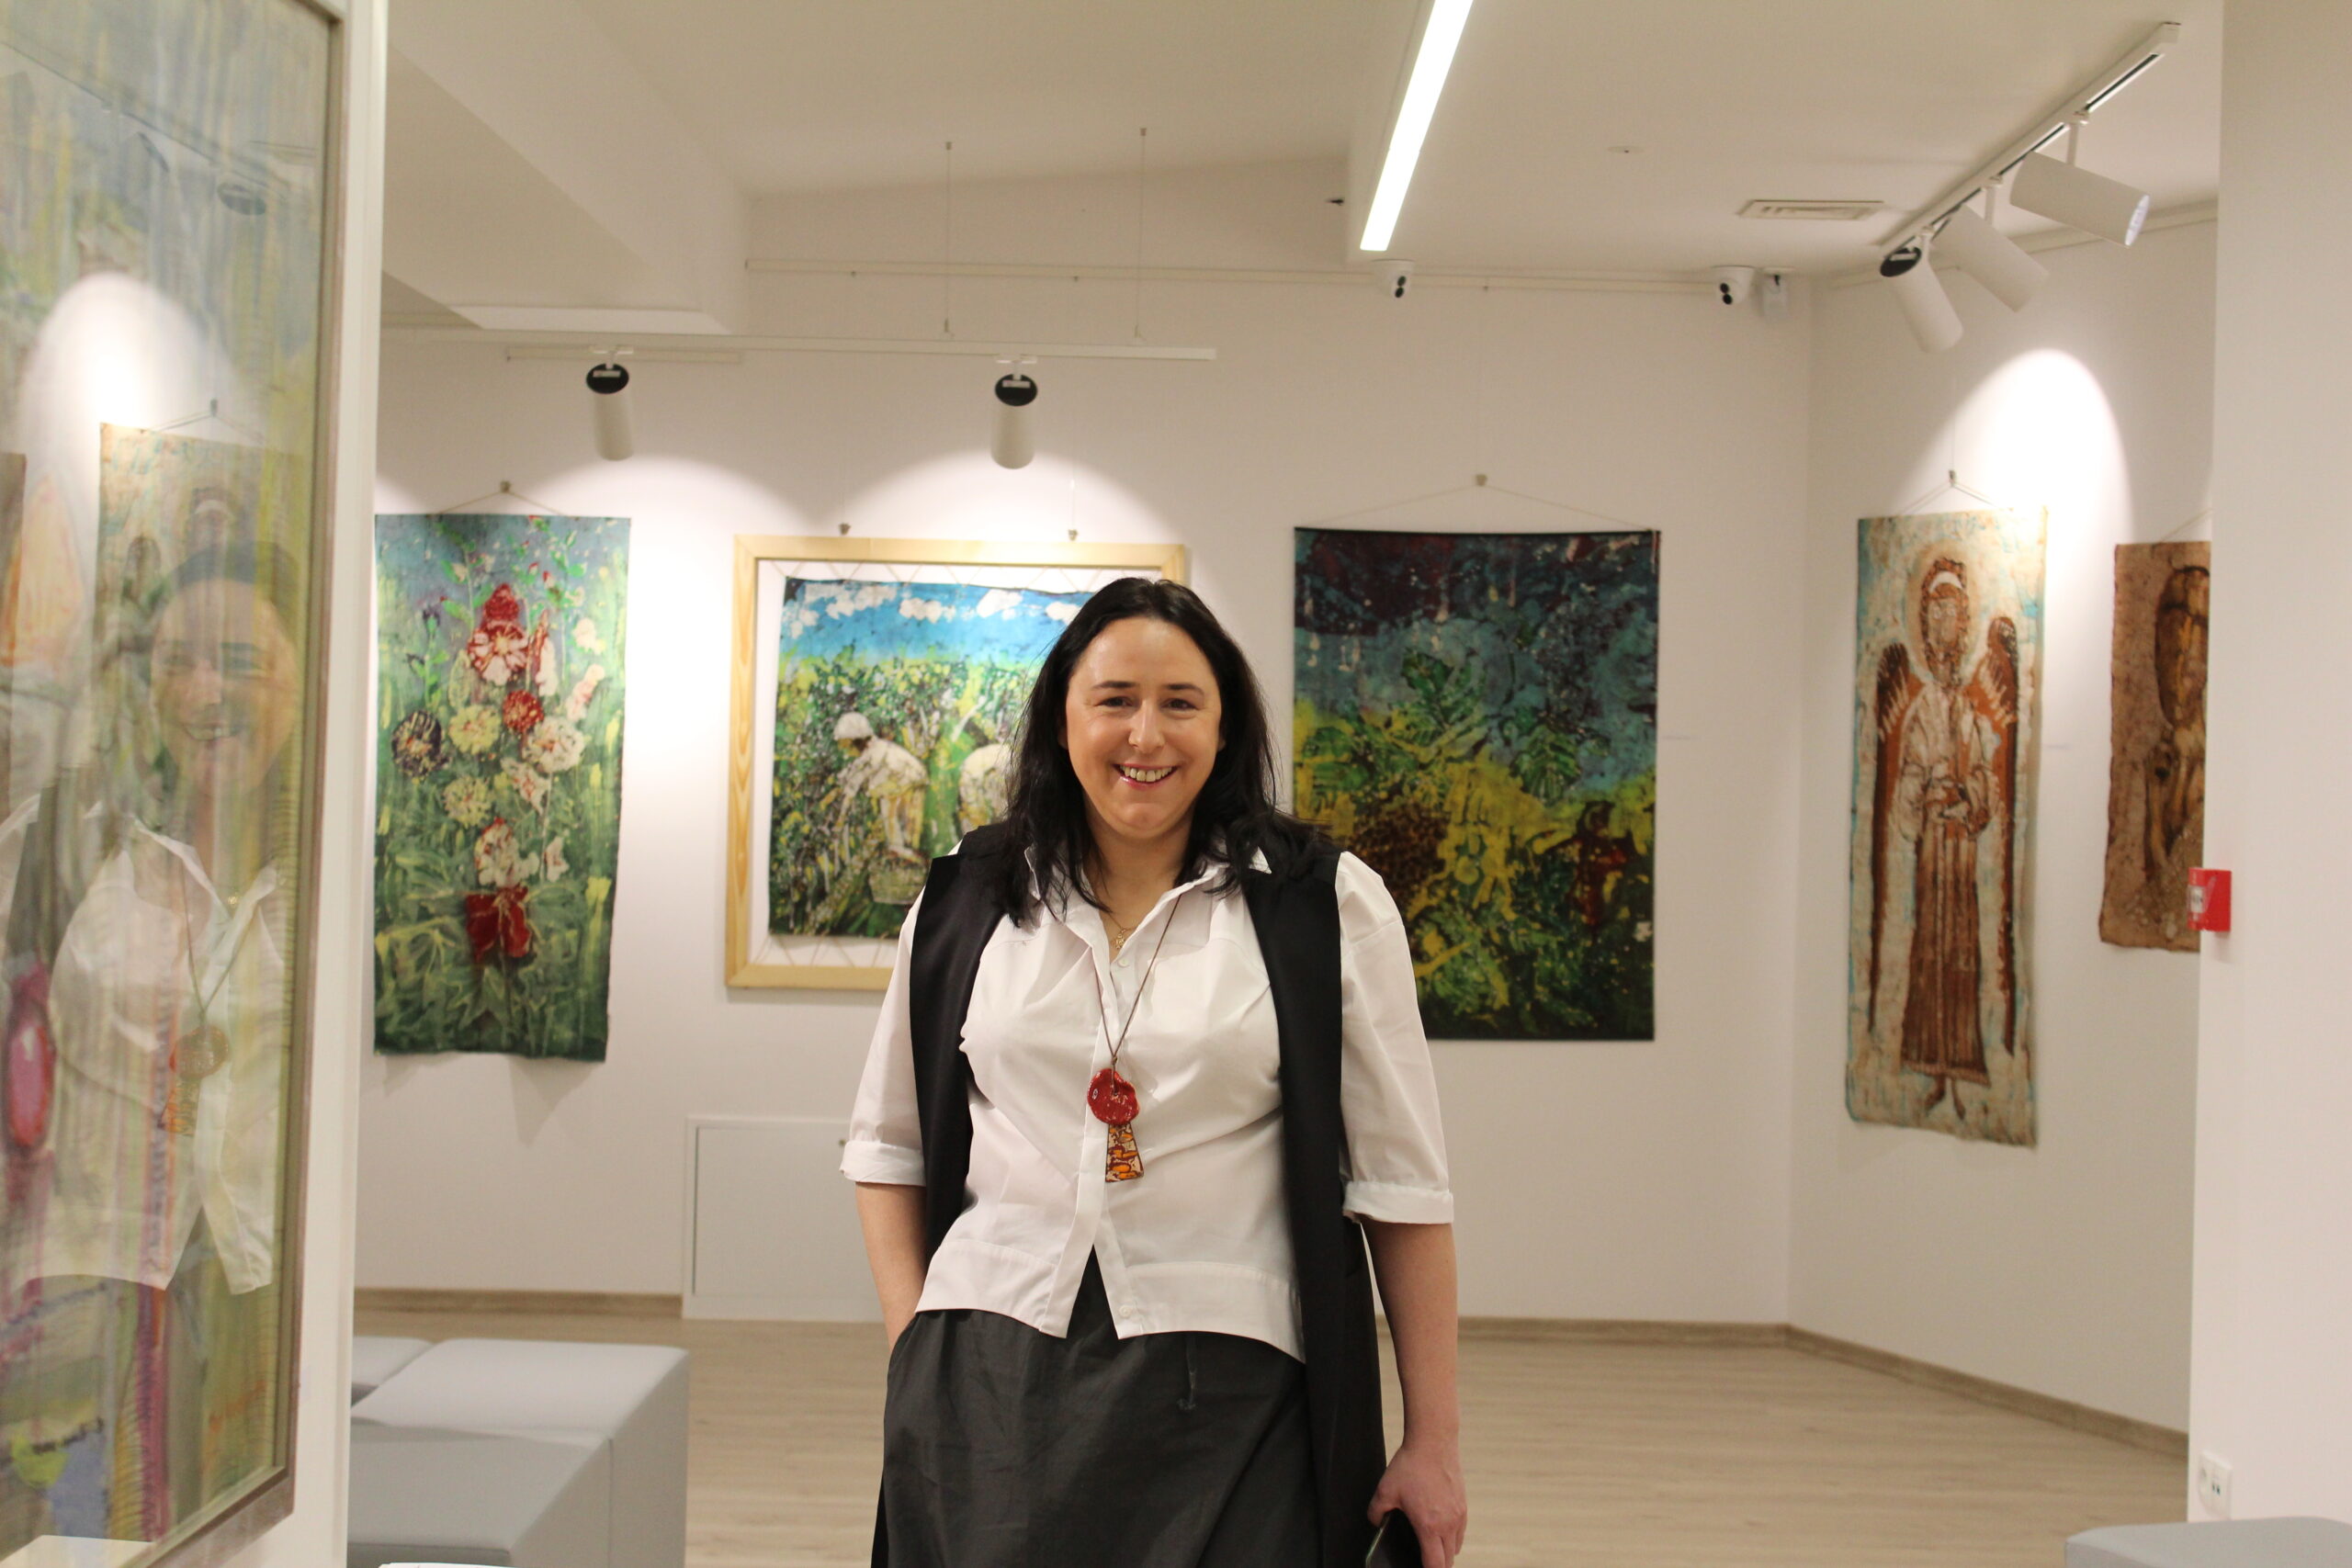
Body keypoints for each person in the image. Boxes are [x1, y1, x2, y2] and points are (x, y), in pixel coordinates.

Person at [843, 578, 1467, 1568]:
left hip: (1238, 1383)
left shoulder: (1323, 904)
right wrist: (912, 1349)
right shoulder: (969, 893)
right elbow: (888, 1147)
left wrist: (1434, 1440)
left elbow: (1403, 1187)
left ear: (1224, 726)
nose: (1146, 734)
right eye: (1114, 700)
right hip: (988, 1373)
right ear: (1062, 718)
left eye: (1180, 702)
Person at [0, 538, 303, 1540]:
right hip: (88, 1284)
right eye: (180, 662)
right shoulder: (66, 844)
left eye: (242, 661)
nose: (208, 692)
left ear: (303, 682)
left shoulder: (324, 877)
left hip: (260, 1292)